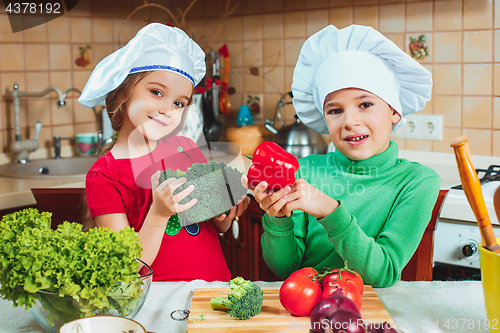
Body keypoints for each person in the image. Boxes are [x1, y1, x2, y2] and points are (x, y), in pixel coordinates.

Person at [244, 24, 441, 288]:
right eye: (335, 111)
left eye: (365, 104)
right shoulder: (305, 171)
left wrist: (330, 210)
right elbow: (285, 269)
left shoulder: (417, 181)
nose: (350, 121)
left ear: (395, 110)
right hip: (304, 310)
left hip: (370, 316)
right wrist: (277, 219)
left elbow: (381, 274)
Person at [78, 23, 250, 282]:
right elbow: (128, 266)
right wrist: (158, 213)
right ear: (124, 91)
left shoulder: (187, 150)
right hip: (157, 300)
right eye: (157, 92)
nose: (167, 109)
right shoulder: (104, 175)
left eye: (179, 103)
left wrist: (228, 209)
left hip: (214, 290)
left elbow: (219, 225)